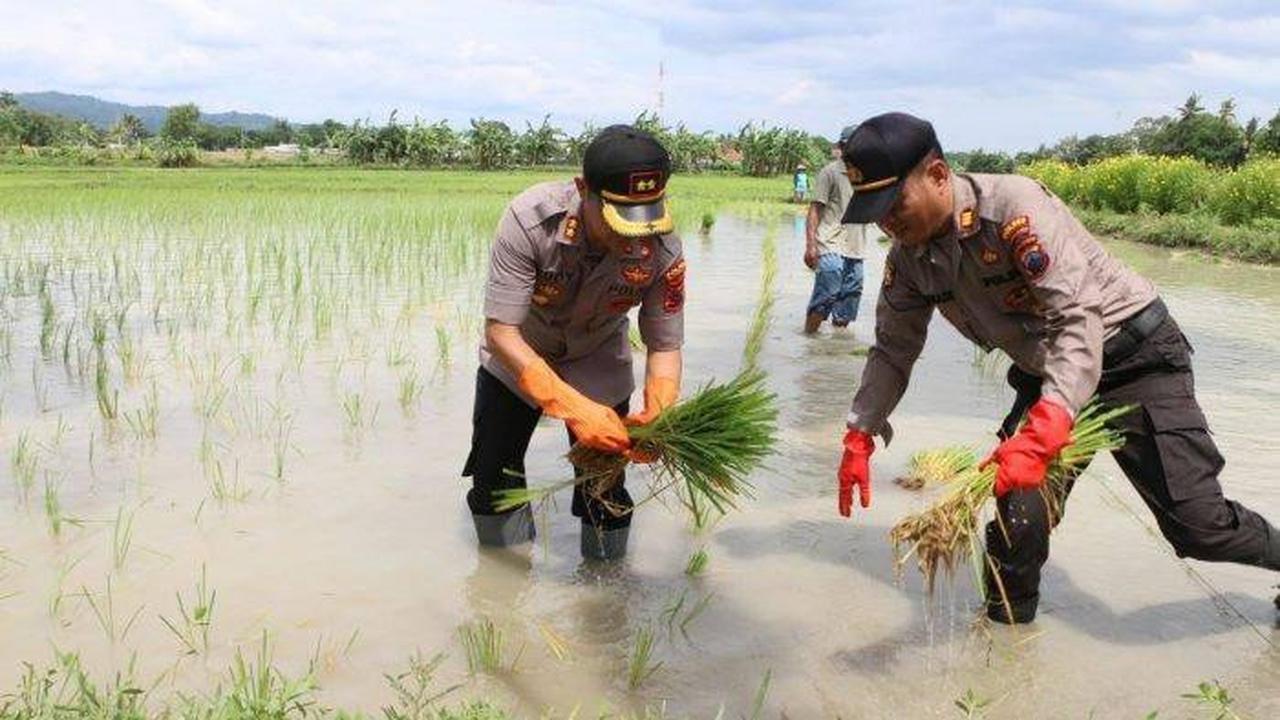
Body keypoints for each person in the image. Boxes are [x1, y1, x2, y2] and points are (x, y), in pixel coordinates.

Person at [834, 112, 1280, 623]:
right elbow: (894, 348)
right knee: (1017, 514)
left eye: (895, 205)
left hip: (1132, 358)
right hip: (1049, 372)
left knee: (1199, 526)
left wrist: (1048, 425)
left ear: (937, 175)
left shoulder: (1014, 210)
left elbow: (1076, 315)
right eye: (876, 212)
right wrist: (860, 431)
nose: (888, 222)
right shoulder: (910, 259)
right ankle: (1006, 642)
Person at [462, 125, 685, 561]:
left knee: (603, 486)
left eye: (645, 219)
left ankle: (604, 595)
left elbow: (664, 345)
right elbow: (501, 331)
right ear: (585, 190)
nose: (634, 236)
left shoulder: (663, 250)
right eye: (619, 220)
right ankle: (503, 589)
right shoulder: (529, 219)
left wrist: (659, 411)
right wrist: (571, 407)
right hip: (519, 356)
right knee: (494, 478)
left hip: (598, 357)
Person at [804, 125, 869, 333]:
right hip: (830, 243)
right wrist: (811, 245)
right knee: (827, 294)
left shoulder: (867, 176)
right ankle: (809, 339)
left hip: (856, 247)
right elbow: (815, 209)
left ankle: (835, 353)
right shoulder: (830, 172)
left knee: (849, 300)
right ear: (843, 146)